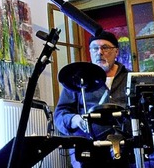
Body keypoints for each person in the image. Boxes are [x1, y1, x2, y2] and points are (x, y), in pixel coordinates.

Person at [54, 31, 131, 167]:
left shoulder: (130, 78)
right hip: (88, 147)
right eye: (95, 48)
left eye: (105, 47)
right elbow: (60, 115)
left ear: (116, 51)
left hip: (125, 146)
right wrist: (74, 120)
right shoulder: (77, 79)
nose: (99, 52)